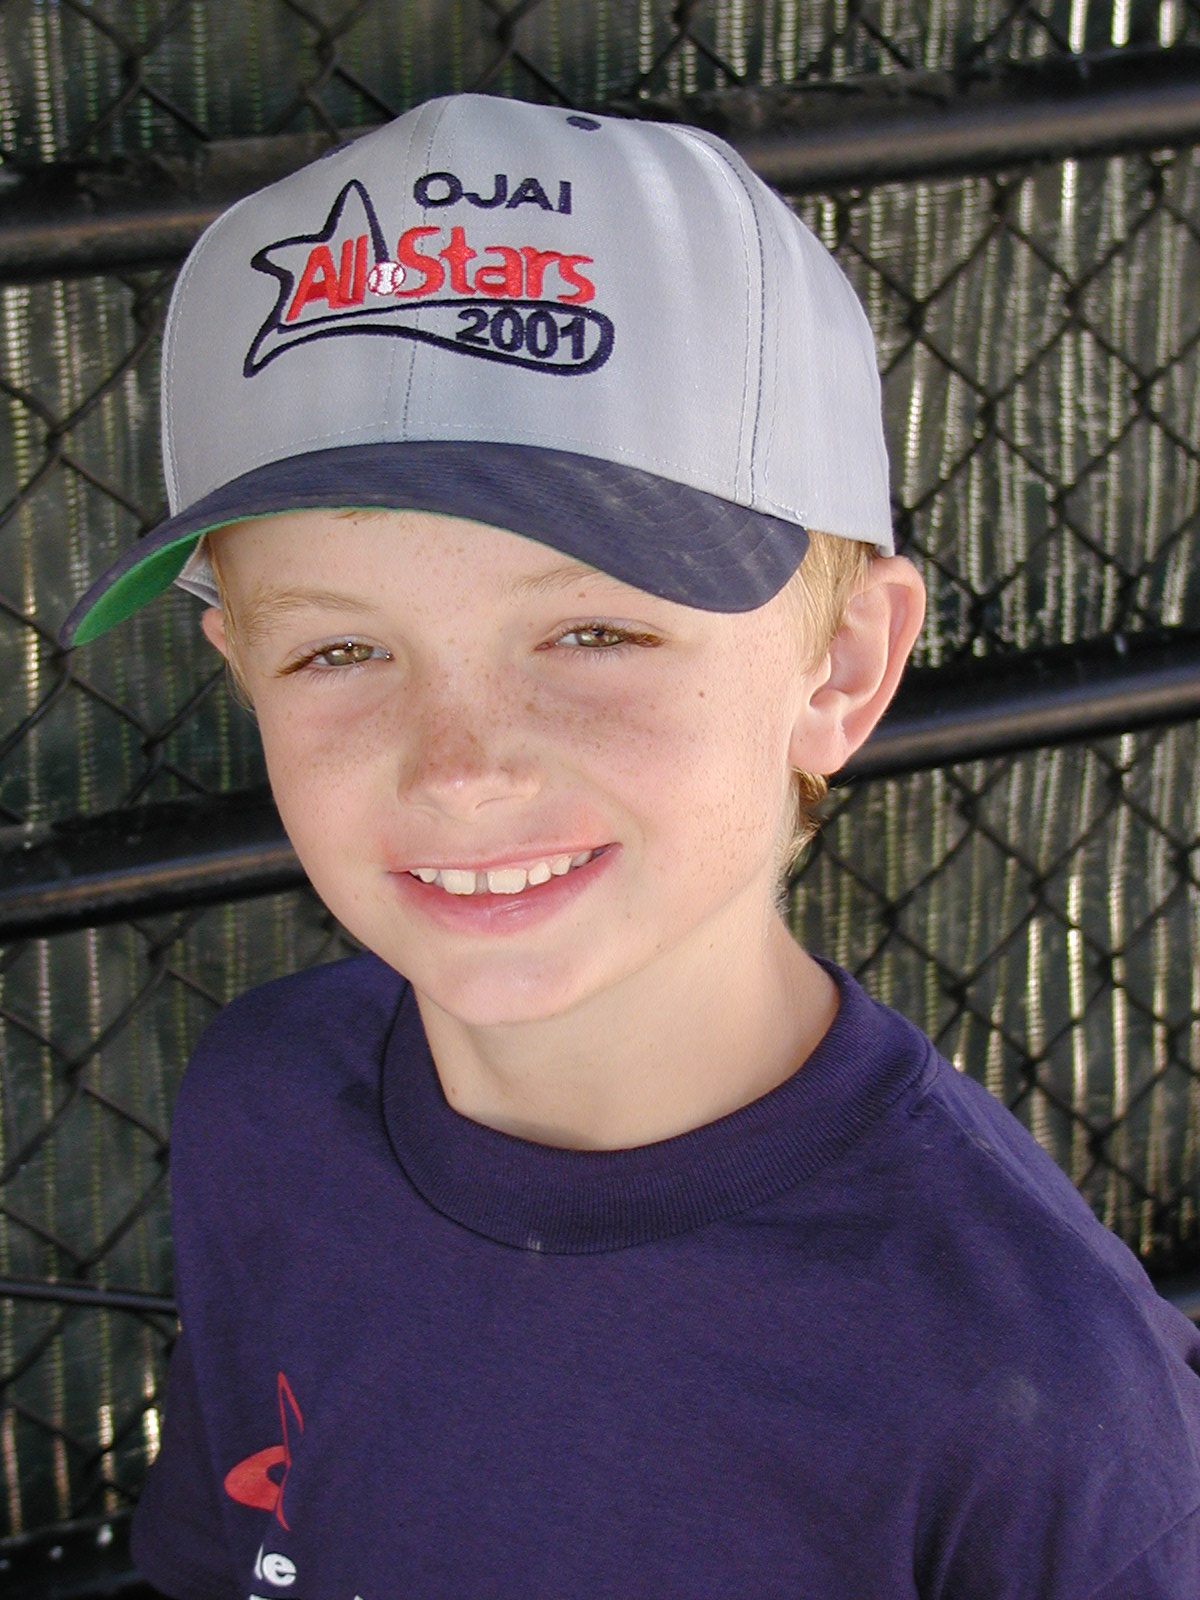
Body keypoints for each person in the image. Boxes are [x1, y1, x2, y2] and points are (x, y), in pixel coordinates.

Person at [64, 94, 1200, 1598]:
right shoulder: (265, 1107)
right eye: (339, 651)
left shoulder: (1039, 1398)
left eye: (595, 632)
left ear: (843, 666)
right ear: (242, 675)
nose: (461, 769)